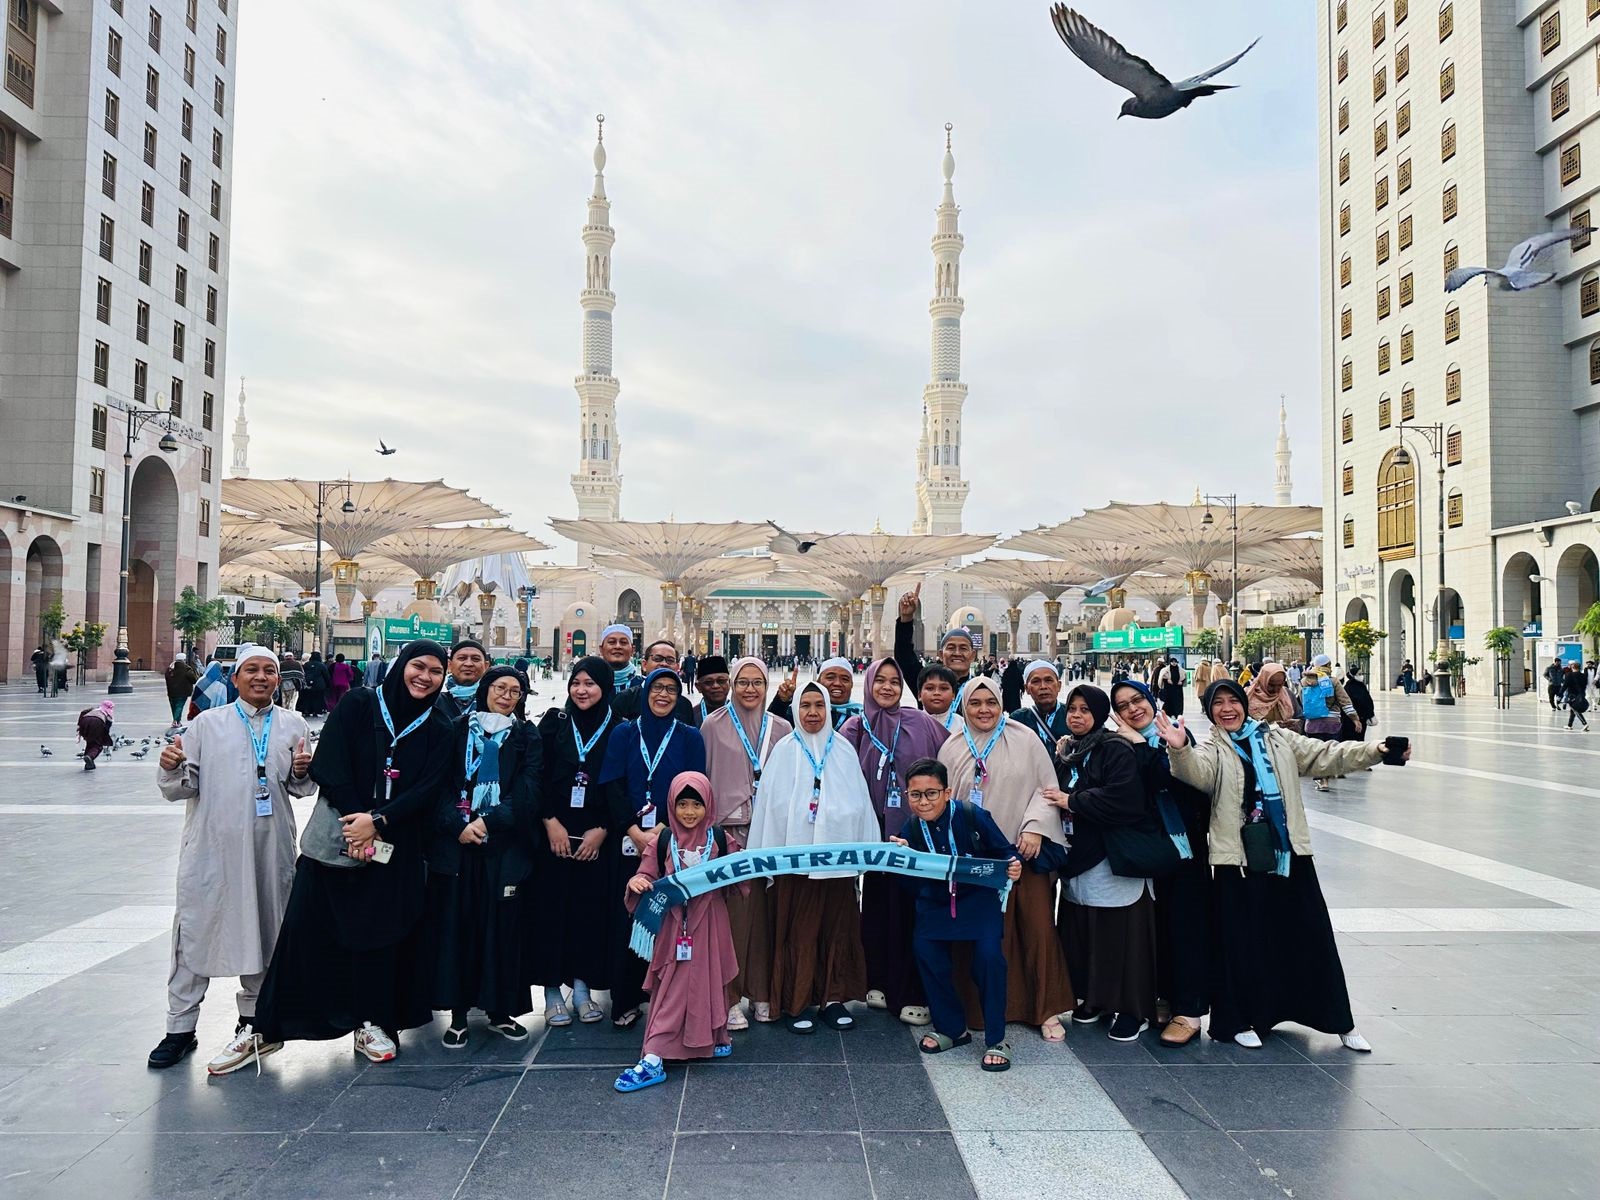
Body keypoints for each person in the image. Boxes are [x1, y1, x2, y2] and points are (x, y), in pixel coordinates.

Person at [1156, 680, 1410, 1052]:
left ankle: (1338, 1021)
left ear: (1244, 704)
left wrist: (1376, 750)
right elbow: (1197, 773)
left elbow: (1327, 755)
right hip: (1237, 862)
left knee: (1308, 937)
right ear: (1210, 711)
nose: (1227, 708)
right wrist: (1179, 750)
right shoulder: (1212, 747)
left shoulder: (1278, 739)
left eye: (1232, 701)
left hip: (1288, 855)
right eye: (1218, 703)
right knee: (1244, 944)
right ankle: (1240, 1020)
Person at [254, 640, 454, 1064]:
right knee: (306, 932)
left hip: (394, 846)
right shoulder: (360, 704)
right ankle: (268, 1028)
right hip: (337, 841)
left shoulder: (439, 724)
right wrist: (358, 823)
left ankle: (373, 1022)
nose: (425, 677)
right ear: (401, 666)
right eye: (418, 666)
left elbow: (429, 788)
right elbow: (330, 763)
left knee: (381, 937)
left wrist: (378, 823)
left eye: (436, 671)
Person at [148, 646, 316, 1074]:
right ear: (235, 678)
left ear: (279, 679)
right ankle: (180, 1029)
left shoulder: (293, 724)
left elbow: (300, 789)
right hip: (212, 850)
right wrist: (171, 765)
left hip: (269, 850)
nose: (261, 677)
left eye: (269, 671)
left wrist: (302, 771)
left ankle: (253, 1022)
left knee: (265, 930)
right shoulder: (207, 724)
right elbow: (181, 787)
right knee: (196, 933)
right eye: (252, 670)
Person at [937, 676, 1074, 1041]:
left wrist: (1034, 828)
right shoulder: (951, 746)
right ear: (964, 707)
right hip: (975, 863)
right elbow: (942, 800)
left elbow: (1047, 789)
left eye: (991, 703)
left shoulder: (1025, 739)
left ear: (1001, 704)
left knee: (1036, 929)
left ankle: (1043, 1008)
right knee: (983, 938)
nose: (984, 710)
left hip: (1021, 853)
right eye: (975, 703)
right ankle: (980, 1008)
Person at [748, 681, 880, 1034]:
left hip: (836, 865)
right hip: (796, 866)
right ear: (795, 709)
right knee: (800, 932)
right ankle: (796, 1001)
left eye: (818, 705)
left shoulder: (843, 750)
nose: (812, 713)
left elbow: (859, 800)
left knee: (836, 929)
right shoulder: (784, 751)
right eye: (805, 705)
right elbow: (772, 807)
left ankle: (832, 998)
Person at [425, 665, 541, 1047]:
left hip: (503, 847)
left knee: (501, 930)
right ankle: (458, 1014)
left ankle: (499, 1012)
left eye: (514, 691)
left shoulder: (525, 735)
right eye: (499, 688)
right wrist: (458, 824)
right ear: (485, 689)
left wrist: (489, 822)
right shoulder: (456, 729)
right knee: (459, 927)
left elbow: (528, 790)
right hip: (458, 847)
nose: (506, 696)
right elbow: (437, 785)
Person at [840, 658, 952, 1027]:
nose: (887, 687)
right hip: (873, 838)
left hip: (915, 837)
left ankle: (911, 991)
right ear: (869, 684)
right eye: (881, 681)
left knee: (911, 912)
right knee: (876, 909)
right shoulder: (855, 727)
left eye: (894, 681)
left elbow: (954, 758)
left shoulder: (920, 722)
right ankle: (877, 981)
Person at [891, 757, 1022, 1072]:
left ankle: (996, 1039)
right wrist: (902, 857)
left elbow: (1006, 853)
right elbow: (909, 885)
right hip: (935, 904)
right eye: (915, 795)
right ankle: (952, 1030)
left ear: (947, 792)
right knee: (926, 951)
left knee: (989, 959)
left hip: (979, 902)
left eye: (931, 793)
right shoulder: (910, 828)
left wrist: (1014, 866)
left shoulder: (972, 815)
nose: (924, 802)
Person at [615, 771, 741, 1091]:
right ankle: (654, 1055)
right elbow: (645, 873)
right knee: (673, 987)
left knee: (708, 979)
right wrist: (638, 882)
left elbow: (739, 878)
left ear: (708, 805)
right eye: (682, 804)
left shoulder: (720, 839)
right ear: (671, 804)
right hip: (675, 928)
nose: (689, 812)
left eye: (696, 805)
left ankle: (712, 1037)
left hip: (710, 924)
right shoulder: (662, 842)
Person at [600, 666, 707, 1029]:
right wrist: (632, 829)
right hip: (629, 840)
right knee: (629, 918)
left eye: (671, 690)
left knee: (670, 921)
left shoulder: (689, 737)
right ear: (645, 692)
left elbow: (694, 787)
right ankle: (626, 998)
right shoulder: (625, 732)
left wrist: (663, 829)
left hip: (672, 841)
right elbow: (612, 784)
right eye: (657, 688)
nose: (663, 695)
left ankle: (669, 1001)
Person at [1050, 685, 1157, 1043]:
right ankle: (1095, 998)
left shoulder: (1114, 748)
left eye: (1085, 709)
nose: (1077, 716)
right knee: (1087, 933)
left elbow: (1125, 798)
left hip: (1112, 857)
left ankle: (1133, 1009)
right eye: (1072, 709)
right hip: (1078, 857)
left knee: (1121, 937)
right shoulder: (1068, 751)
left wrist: (1072, 800)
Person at [1110, 679, 1211, 1048]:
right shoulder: (1123, 743)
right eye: (1123, 706)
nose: (1133, 709)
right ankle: (1164, 997)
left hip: (1183, 850)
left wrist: (1143, 747)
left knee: (1186, 928)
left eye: (1138, 699)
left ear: (1152, 700)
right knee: (1158, 927)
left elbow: (1169, 781)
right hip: (1150, 851)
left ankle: (1190, 1011)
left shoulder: (1174, 736)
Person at [528, 656, 624, 1027]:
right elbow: (536, 775)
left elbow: (621, 785)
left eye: (590, 683)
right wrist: (549, 821)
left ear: (605, 687)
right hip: (554, 833)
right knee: (551, 911)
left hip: (595, 837)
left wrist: (604, 829)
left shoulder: (618, 728)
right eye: (576, 683)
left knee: (588, 912)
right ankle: (553, 991)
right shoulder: (555, 723)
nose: (582, 691)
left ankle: (582, 988)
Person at [700, 657, 791, 1027]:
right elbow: (704, 780)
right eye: (743, 682)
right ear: (733, 685)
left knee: (767, 919)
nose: (750, 689)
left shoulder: (781, 728)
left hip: (769, 835)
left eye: (757, 682)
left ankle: (761, 990)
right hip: (729, 836)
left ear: (767, 686)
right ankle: (729, 996)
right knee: (734, 919)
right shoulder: (713, 725)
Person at [893, 582, 976, 709]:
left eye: (963, 648)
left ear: (973, 655)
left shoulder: (979, 688)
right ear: (941, 655)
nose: (957, 653)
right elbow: (904, 656)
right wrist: (906, 619)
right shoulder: (927, 682)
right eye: (951, 647)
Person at [614, 640, 697, 724]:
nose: (664, 664)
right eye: (657, 659)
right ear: (644, 665)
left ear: (677, 667)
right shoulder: (624, 700)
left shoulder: (684, 705)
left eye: (670, 660)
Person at [1299, 666, 1341, 792]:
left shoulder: (1304, 682)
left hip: (1312, 723)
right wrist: (1354, 718)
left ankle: (1322, 780)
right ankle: (1327, 776)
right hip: (1331, 722)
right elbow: (1345, 700)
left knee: (1316, 751)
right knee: (1330, 751)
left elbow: (1302, 701)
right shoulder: (1333, 682)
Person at [1010, 661, 1067, 750]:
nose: (1043, 686)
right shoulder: (1018, 720)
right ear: (1027, 688)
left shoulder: (1071, 714)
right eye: (1036, 681)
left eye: (1048, 680)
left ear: (1059, 686)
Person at [436, 639, 490, 722]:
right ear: (449, 665)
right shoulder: (433, 696)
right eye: (462, 658)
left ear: (486, 666)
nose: (468, 664)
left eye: (475, 659)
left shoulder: (493, 699)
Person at [1245, 662, 1298, 727]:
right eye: (1271, 685)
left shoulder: (1287, 694)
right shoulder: (1249, 695)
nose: (1275, 689)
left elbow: (1299, 716)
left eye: (1280, 685)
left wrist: (1295, 724)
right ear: (1263, 680)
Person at [918, 664, 965, 734]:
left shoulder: (963, 726)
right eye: (930, 688)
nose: (937, 693)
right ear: (919, 695)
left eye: (943, 688)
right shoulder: (910, 724)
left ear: (953, 695)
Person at [76, 699, 115, 771]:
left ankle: (89, 762)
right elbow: (106, 729)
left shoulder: (94, 709)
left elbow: (83, 712)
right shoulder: (109, 714)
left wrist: (79, 725)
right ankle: (90, 756)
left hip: (84, 721)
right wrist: (104, 739)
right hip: (97, 723)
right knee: (97, 745)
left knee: (90, 742)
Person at [693, 655, 731, 723]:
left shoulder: (740, 713)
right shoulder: (690, 716)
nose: (715, 686)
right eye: (709, 682)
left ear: (730, 683)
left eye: (721, 681)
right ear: (698, 687)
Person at [165, 656, 198, 728]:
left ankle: (177, 721)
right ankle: (175, 721)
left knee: (174, 707)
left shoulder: (170, 668)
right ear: (184, 660)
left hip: (171, 691)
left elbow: (167, 677)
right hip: (183, 691)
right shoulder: (186, 668)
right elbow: (193, 679)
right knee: (179, 706)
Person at [296, 650, 329, 717]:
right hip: (319, 685)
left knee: (308, 698)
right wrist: (328, 685)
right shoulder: (321, 665)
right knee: (318, 699)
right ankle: (317, 711)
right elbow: (326, 676)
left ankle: (307, 711)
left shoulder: (306, 664)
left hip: (307, 685)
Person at [1563, 661, 1590, 730]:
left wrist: (1559, 695)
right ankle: (1569, 725)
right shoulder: (1584, 676)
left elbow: (1565, 686)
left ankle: (1585, 723)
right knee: (1572, 710)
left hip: (1572, 695)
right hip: (1581, 694)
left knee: (1575, 709)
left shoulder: (1569, 675)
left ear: (1572, 667)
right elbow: (1585, 685)